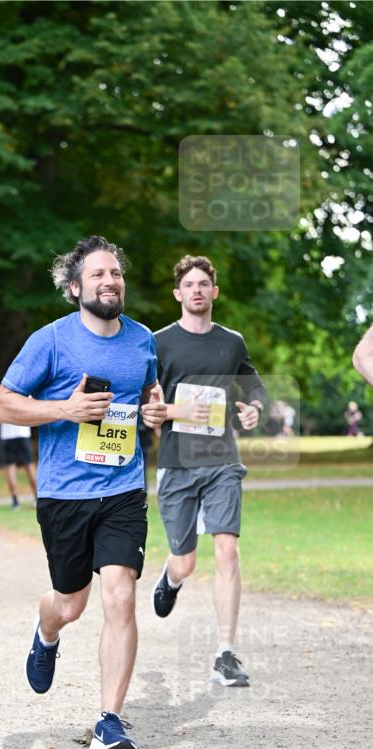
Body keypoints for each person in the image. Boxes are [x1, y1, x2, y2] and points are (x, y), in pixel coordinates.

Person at [0, 235, 165, 749]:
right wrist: (64, 410)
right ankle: (46, 633)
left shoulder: (142, 340)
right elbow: (2, 406)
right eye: (98, 274)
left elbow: (147, 393)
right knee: (70, 603)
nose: (110, 281)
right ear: (75, 287)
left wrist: (153, 410)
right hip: (65, 494)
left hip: (123, 488)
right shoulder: (50, 341)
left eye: (116, 273)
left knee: (120, 593)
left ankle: (109, 720)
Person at [144, 255, 267, 687]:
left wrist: (254, 408)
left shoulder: (231, 342)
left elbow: (254, 384)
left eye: (203, 284)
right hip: (177, 462)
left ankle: (225, 655)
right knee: (186, 562)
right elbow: (144, 406)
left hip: (222, 461)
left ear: (214, 292)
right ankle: (171, 576)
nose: (196, 290)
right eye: (189, 284)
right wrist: (178, 411)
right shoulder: (158, 343)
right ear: (177, 293)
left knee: (227, 550)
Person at [0, 423, 36, 507]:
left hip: (7, 435)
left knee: (10, 468)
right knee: (29, 465)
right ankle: (37, 497)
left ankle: (15, 501)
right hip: (23, 433)